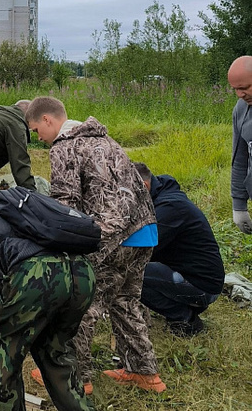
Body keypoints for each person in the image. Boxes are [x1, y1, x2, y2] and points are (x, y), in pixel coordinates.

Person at [25, 96, 166, 393]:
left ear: (48, 120)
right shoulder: (105, 140)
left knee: (83, 303)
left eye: (37, 130)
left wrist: (55, 241)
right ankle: (146, 374)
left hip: (111, 237)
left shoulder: (64, 147)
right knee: (125, 301)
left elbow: (66, 203)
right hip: (145, 230)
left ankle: (75, 376)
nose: (38, 138)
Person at [0, 208, 96, 411]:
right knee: (55, 348)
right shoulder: (24, 215)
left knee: (0, 348)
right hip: (82, 273)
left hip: (38, 271)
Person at [133, 162, 225, 336]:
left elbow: (139, 250)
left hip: (203, 286)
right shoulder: (160, 195)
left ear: (143, 186)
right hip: (188, 274)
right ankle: (182, 303)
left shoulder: (170, 208)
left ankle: (185, 318)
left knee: (133, 273)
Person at [227, 55, 252, 234]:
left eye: (244, 88)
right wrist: (239, 207)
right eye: (235, 89)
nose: (240, 94)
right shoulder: (241, 109)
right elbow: (240, 158)